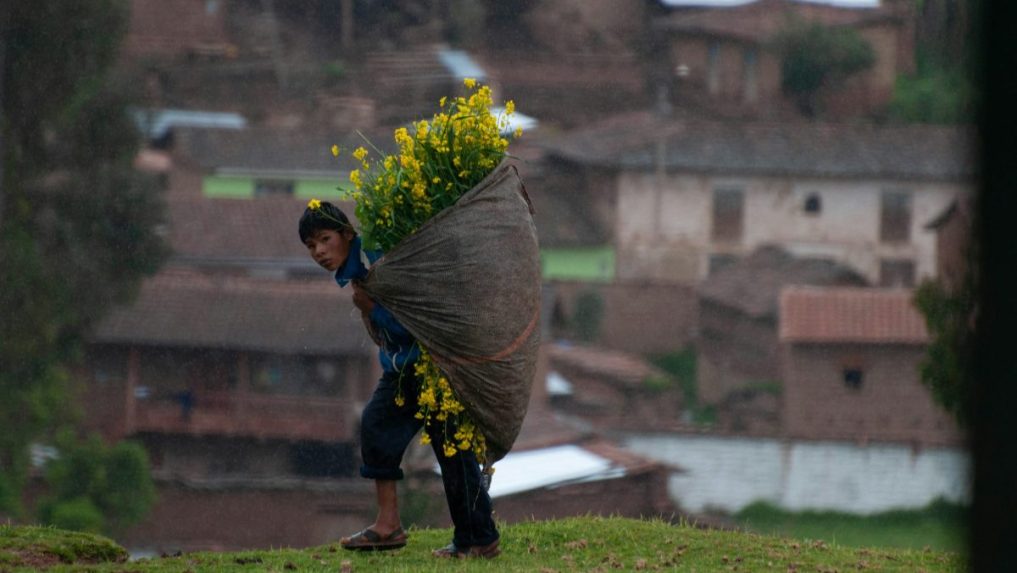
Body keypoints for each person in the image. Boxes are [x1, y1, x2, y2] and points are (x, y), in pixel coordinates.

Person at [298, 201, 500, 558]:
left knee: (453, 452)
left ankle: (479, 539)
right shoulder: (357, 270)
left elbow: (415, 320)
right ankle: (389, 524)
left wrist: (372, 310)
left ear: (347, 234)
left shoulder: (377, 260)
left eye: (325, 239)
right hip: (403, 368)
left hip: (432, 366)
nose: (319, 252)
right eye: (311, 246)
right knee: (377, 426)